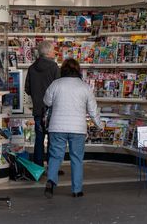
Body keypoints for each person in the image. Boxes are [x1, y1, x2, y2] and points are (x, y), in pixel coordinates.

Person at [43, 58, 103, 198]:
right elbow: (93, 110)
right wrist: (99, 125)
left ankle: (51, 181)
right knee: (76, 158)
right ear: (78, 70)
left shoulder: (56, 84)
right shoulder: (85, 87)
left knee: (56, 156)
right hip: (78, 129)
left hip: (57, 127)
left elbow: (46, 101)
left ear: (62, 70)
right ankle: (77, 190)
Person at [25, 41, 60, 167]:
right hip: (52, 110)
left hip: (38, 109)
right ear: (48, 52)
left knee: (39, 139)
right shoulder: (54, 68)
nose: (54, 52)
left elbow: (27, 89)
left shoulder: (31, 68)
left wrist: (36, 95)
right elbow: (59, 88)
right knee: (52, 139)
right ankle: (52, 167)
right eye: (53, 50)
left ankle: (38, 167)